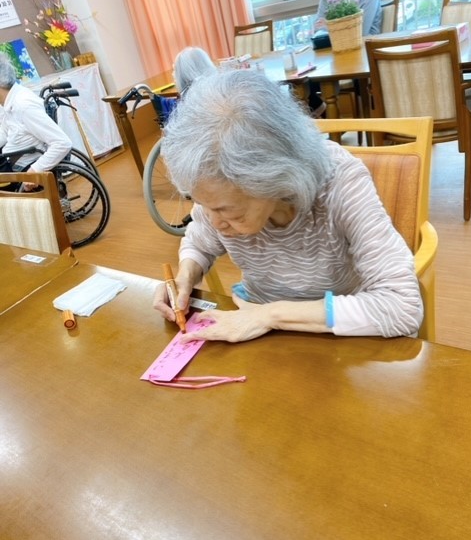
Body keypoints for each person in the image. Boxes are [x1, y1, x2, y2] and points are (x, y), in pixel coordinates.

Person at [153, 70, 423, 343]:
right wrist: (185, 277)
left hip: (338, 329)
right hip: (256, 321)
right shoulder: (216, 192)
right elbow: (199, 242)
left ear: (275, 181)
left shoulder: (340, 182)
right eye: (201, 204)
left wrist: (270, 316)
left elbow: (402, 306)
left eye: (228, 211)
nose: (214, 222)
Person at [0, 53, 72, 191]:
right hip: (11, 158)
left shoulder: (23, 105)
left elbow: (62, 143)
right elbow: (5, 131)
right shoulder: (8, 100)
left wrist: (34, 171)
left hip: (20, 166)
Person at [314, 0, 382, 36]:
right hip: (334, 45)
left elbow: (361, 30)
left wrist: (329, 26)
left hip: (365, 44)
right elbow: (317, 29)